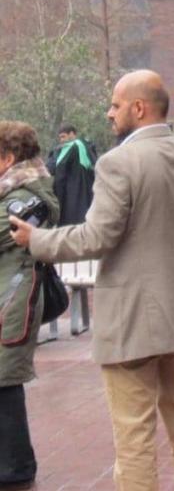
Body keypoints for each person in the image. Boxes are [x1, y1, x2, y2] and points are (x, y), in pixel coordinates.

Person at [9, 71, 174, 491]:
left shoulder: (117, 163)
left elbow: (97, 236)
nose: (109, 113)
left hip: (129, 324)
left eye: (114, 104)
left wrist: (37, 239)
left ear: (138, 108)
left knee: (134, 438)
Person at [0, 121, 60, 490]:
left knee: (5, 381)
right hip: (8, 295)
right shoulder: (15, 190)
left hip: (13, 300)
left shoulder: (31, 196)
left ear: (8, 158)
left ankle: (17, 467)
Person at [50, 124, 96, 225]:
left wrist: (57, 198)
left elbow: (59, 173)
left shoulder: (69, 147)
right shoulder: (88, 146)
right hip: (89, 197)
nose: (61, 140)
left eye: (63, 136)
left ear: (72, 134)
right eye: (60, 137)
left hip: (70, 199)